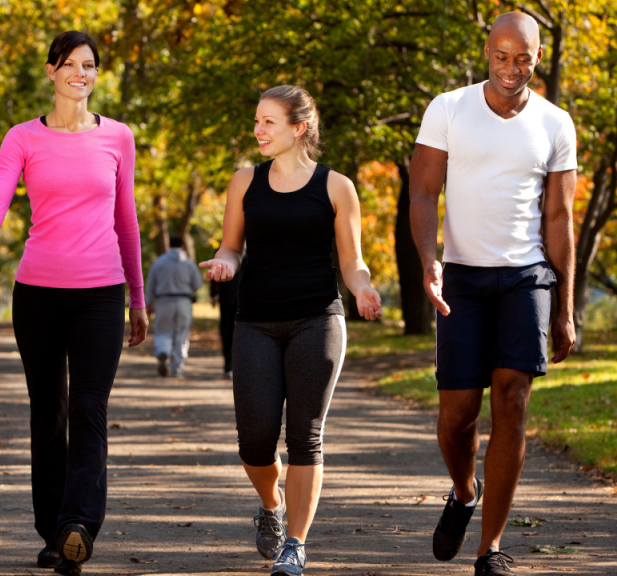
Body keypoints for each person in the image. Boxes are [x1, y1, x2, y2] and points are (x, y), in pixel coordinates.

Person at [0, 31, 148, 576]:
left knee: (88, 408)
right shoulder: (21, 138)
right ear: (51, 71)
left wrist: (137, 296)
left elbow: (125, 221)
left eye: (90, 66)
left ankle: (79, 525)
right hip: (36, 294)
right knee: (48, 412)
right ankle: (53, 532)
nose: (82, 73)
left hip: (101, 295)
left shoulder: (119, 138)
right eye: (72, 64)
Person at [409, 12, 577, 576]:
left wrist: (566, 309)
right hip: (461, 276)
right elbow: (424, 192)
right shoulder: (448, 108)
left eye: (523, 58)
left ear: (536, 57)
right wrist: (429, 262)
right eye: (501, 57)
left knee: (512, 403)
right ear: (487, 51)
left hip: (526, 279)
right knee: (458, 414)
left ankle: (491, 550)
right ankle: (463, 491)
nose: (511, 69)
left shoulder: (556, 124)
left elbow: (559, 219)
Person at [200, 85, 383, 576]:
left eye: (268, 122)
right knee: (254, 440)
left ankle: (295, 546)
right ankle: (271, 503)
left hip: (317, 319)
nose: (258, 130)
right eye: (257, 121)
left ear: (298, 128)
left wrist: (363, 289)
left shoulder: (337, 186)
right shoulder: (244, 182)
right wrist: (223, 261)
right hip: (256, 320)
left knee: (305, 435)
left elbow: (352, 259)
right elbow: (232, 247)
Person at [145, 235, 202, 378]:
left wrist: (148, 303)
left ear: (169, 245)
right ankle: (177, 368)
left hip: (164, 301)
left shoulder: (159, 262)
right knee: (181, 335)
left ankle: (163, 351)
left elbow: (150, 284)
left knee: (163, 331)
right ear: (182, 246)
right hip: (183, 301)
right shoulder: (189, 263)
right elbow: (197, 284)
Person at [210, 263, 242, 379]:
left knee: (229, 332)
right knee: (229, 332)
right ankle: (230, 365)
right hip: (235, 299)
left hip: (232, 299)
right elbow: (214, 276)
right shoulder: (224, 252)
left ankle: (230, 365)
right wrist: (213, 294)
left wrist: (212, 295)